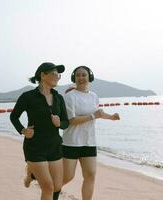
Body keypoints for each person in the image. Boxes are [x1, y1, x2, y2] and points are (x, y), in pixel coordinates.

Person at [10, 62, 69, 200]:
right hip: (35, 146)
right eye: (54, 73)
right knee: (48, 187)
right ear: (43, 75)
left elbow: (66, 123)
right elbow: (14, 116)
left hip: (54, 146)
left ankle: (31, 175)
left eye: (58, 74)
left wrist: (60, 123)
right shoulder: (28, 96)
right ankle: (32, 172)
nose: (57, 77)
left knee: (57, 186)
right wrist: (23, 130)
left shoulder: (59, 98)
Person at [62, 66, 120, 200]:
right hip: (71, 142)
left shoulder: (94, 96)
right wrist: (93, 116)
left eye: (84, 75)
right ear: (74, 78)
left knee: (90, 175)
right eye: (78, 75)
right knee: (68, 177)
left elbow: (98, 113)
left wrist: (111, 117)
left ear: (89, 77)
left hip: (89, 142)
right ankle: (50, 190)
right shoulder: (70, 97)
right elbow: (71, 120)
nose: (81, 77)